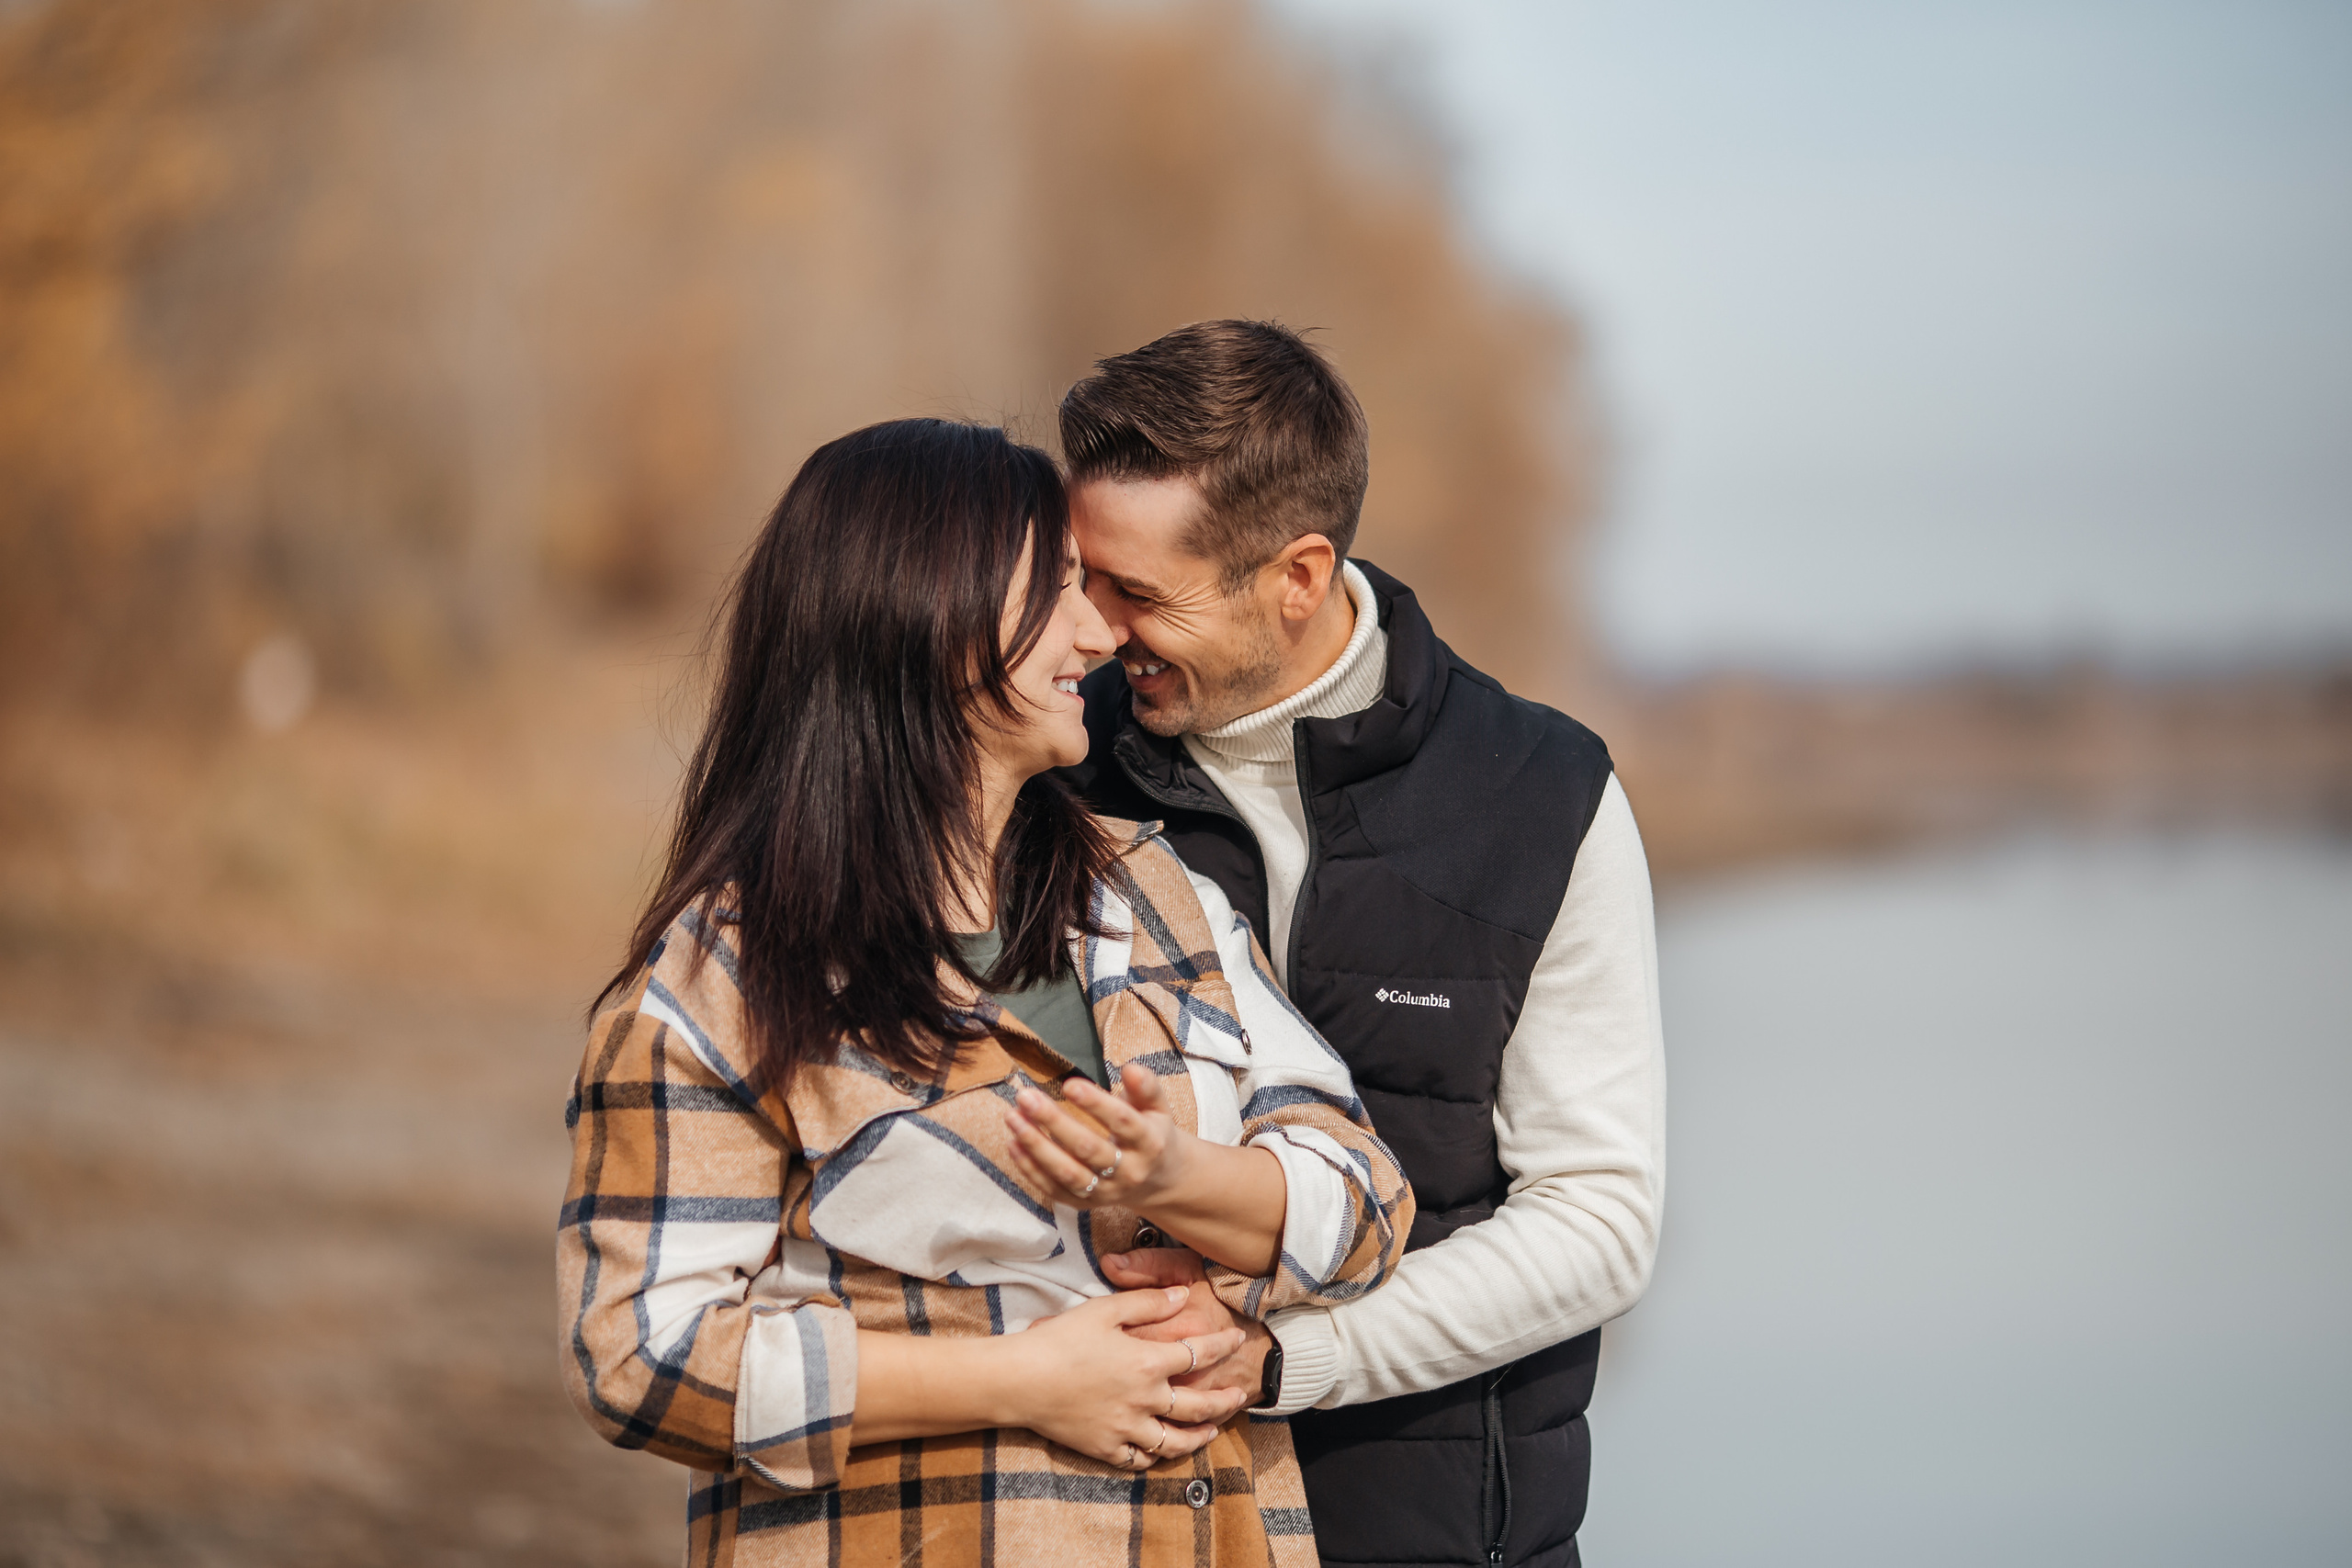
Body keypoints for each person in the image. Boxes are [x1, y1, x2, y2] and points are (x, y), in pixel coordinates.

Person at [558, 419, 1413, 1565]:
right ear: (924, 614)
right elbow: (641, 1357)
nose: (1100, 632)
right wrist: (1025, 1380)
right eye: (1057, 589)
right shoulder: (722, 977)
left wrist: (1181, 1179)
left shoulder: (1153, 892)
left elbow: (1365, 1199)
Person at [1054, 321, 1666, 1568]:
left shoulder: (1542, 794)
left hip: (1432, 1533)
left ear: (1297, 572)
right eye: (1084, 575)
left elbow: (1598, 1215)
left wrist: (1291, 1357)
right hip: (1106, 1526)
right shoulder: (1046, 774)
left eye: (1138, 591)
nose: (1093, 627)